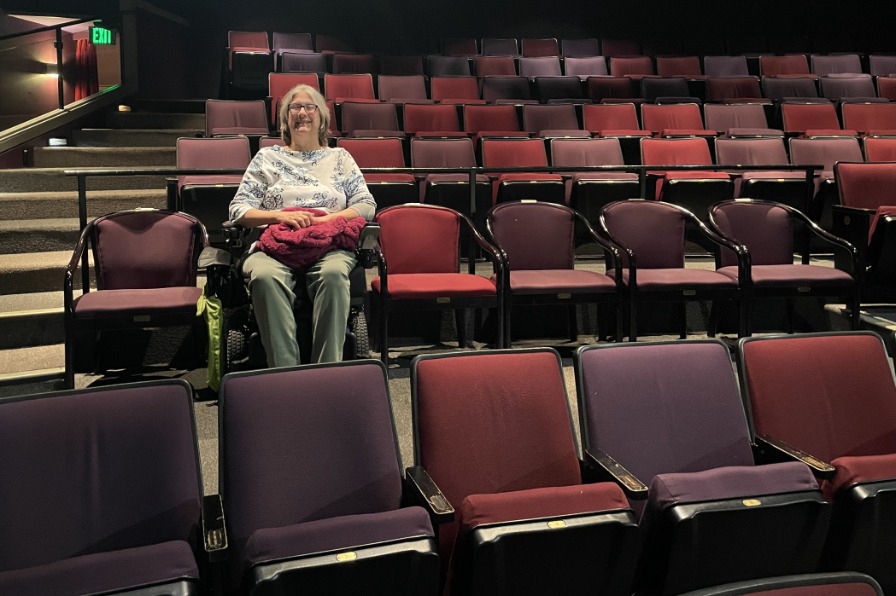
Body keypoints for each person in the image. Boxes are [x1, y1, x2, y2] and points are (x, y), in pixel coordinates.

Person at [229, 84, 376, 367]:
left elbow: (366, 204)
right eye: (295, 108)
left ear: (322, 117)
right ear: (285, 119)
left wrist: (325, 221)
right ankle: (286, 374)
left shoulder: (340, 158)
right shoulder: (267, 158)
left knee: (334, 275)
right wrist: (279, 217)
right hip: (277, 245)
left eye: (310, 107)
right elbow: (238, 208)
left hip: (327, 245)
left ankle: (326, 372)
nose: (302, 113)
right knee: (264, 277)